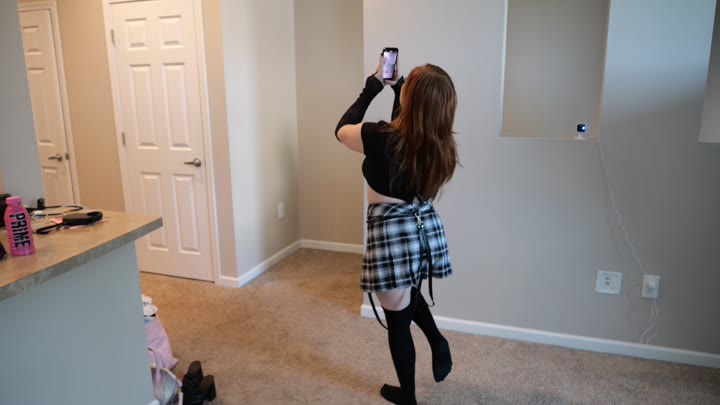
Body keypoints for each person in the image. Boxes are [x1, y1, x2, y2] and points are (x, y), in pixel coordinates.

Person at [334, 60, 459, 405]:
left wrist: (373, 86)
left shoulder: (381, 137)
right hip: (423, 228)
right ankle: (437, 340)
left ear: (410, 98)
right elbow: (402, 130)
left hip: (392, 232)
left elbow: (342, 130)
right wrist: (401, 86)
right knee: (407, 294)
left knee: (398, 321)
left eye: (408, 85)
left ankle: (409, 398)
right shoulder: (440, 143)